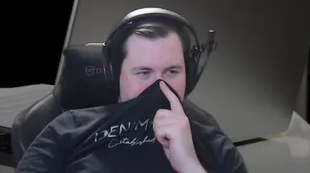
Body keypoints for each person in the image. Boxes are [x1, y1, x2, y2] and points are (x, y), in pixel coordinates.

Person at [17, 9, 247, 173]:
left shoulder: (215, 145)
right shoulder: (68, 129)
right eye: (144, 73)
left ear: (189, 73)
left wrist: (189, 164)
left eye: (172, 71)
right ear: (113, 72)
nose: (160, 86)